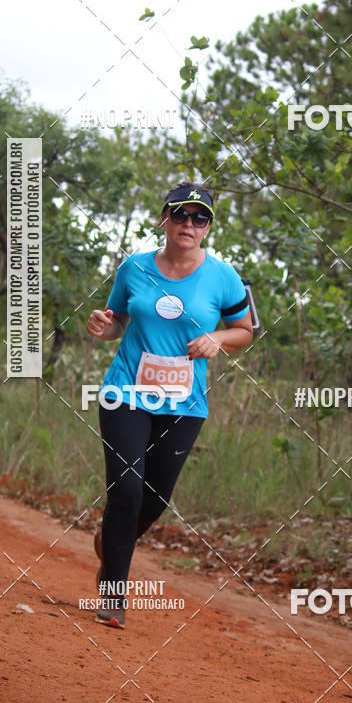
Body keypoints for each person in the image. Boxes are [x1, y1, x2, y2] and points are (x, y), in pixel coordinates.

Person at [86, 182, 253, 628]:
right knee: (126, 489)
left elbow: (245, 331)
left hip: (184, 402)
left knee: (155, 498)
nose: (189, 224)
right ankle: (114, 594)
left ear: (208, 228)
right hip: (126, 393)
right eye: (180, 214)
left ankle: (110, 543)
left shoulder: (224, 277)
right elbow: (117, 322)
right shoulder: (134, 268)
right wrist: (103, 326)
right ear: (164, 219)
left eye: (200, 217)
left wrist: (218, 337)